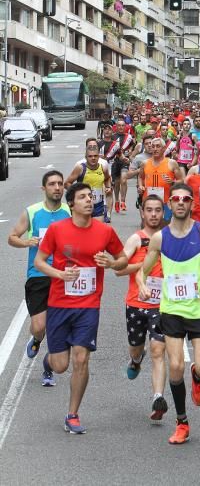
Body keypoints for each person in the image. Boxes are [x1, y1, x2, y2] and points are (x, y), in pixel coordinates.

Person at [34, 183, 127, 434]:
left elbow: (123, 260)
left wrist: (111, 262)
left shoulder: (105, 231)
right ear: (72, 204)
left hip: (89, 305)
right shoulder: (57, 229)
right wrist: (59, 274)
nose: (89, 200)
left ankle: (72, 414)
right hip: (59, 303)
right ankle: (49, 361)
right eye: (83, 197)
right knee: (61, 364)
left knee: (81, 359)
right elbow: (39, 261)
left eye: (90, 196)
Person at [139, 183, 200, 445]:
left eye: (185, 199)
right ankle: (182, 422)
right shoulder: (160, 238)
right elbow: (144, 269)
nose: (180, 202)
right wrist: (142, 284)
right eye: (175, 198)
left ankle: (198, 376)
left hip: (199, 309)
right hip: (172, 309)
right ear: (170, 204)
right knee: (175, 367)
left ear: (192, 204)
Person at [8, 170, 71, 386]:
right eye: (52, 184)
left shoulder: (70, 212)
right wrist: (27, 242)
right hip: (38, 275)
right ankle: (36, 339)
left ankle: (48, 368)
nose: (57, 188)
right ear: (44, 188)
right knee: (39, 326)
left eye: (60, 184)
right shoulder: (32, 212)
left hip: (63, 276)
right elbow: (12, 237)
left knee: (57, 327)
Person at [115, 195, 168, 421]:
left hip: (161, 305)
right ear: (143, 213)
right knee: (136, 348)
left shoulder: (169, 238)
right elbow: (119, 269)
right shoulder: (136, 239)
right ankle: (136, 360)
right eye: (149, 210)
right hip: (136, 303)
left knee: (158, 351)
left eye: (158, 210)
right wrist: (145, 263)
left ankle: (158, 397)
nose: (154, 214)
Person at [64, 139, 112, 222]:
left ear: (99, 156)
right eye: (90, 156)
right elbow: (67, 183)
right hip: (82, 204)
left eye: (95, 156)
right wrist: (77, 194)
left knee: (97, 231)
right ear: (86, 157)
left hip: (98, 205)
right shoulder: (80, 168)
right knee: (82, 231)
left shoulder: (103, 168)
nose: (93, 158)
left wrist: (108, 187)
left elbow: (107, 178)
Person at [138, 137, 184, 221]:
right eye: (153, 146)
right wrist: (140, 186)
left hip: (166, 202)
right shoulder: (145, 163)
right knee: (148, 225)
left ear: (164, 148)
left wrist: (173, 182)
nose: (155, 149)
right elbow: (141, 177)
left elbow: (181, 180)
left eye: (158, 146)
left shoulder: (172, 163)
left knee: (165, 226)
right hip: (148, 201)